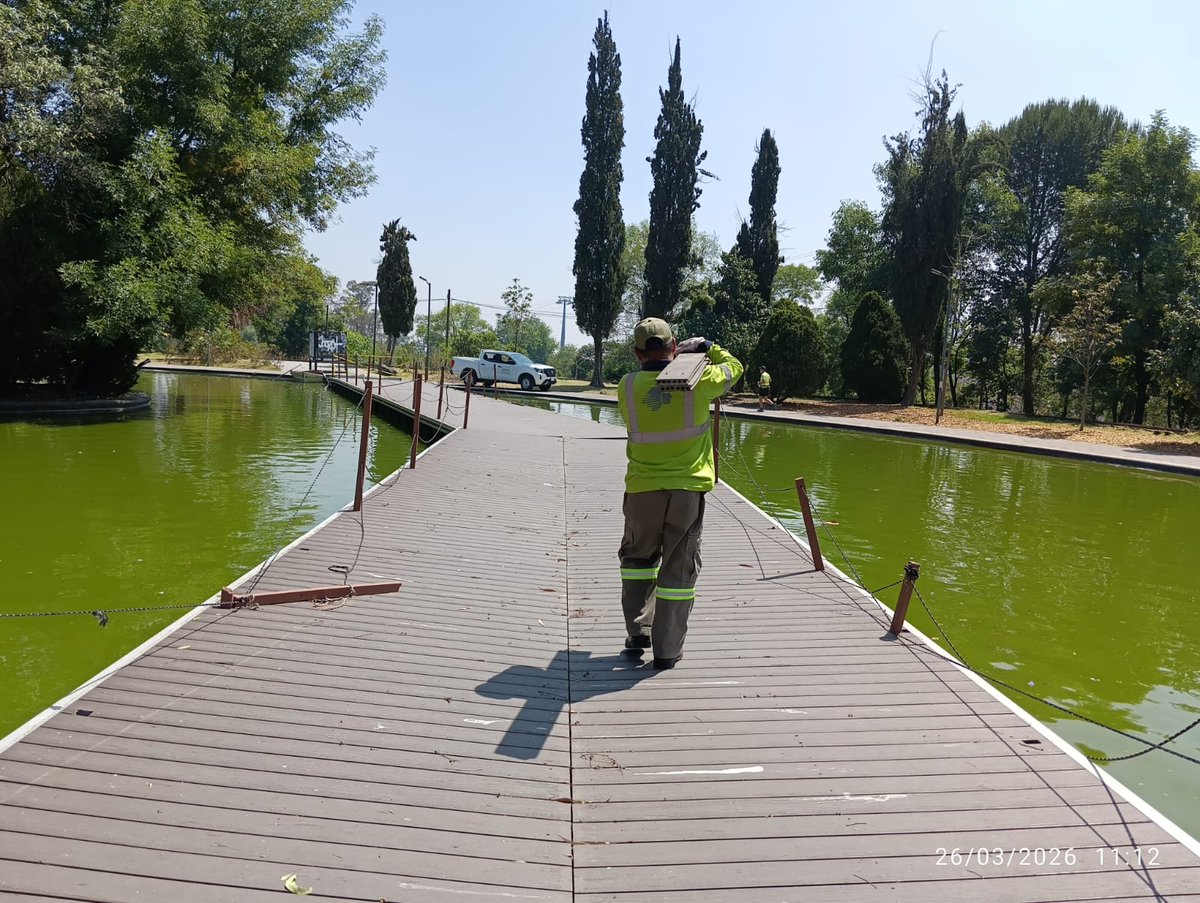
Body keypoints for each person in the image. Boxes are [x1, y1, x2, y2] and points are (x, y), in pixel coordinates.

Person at [616, 318, 743, 669]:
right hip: (686, 492)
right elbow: (735, 368)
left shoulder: (626, 387)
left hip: (641, 489)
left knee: (637, 561)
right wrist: (706, 347)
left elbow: (648, 399)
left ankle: (637, 631)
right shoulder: (700, 381)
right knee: (678, 568)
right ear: (674, 346)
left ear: (637, 352)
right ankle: (667, 651)